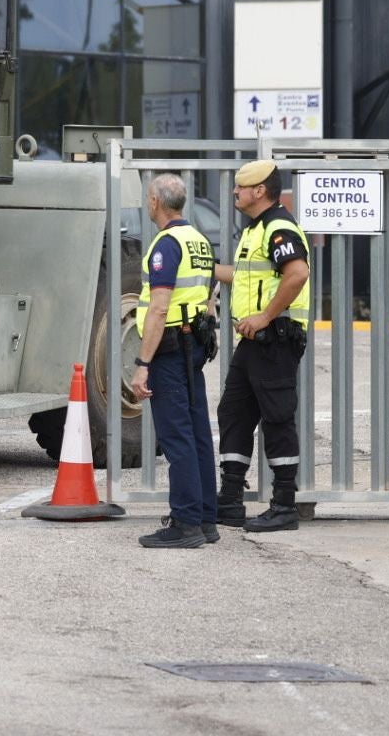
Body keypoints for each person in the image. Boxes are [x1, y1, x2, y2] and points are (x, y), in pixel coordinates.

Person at [214, 159, 311, 532]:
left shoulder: (279, 227)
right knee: (233, 413)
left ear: (259, 191)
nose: (235, 192)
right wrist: (205, 268)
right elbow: (243, 277)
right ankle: (230, 500)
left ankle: (284, 505)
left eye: (241, 187)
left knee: (277, 419)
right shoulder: (256, 230)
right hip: (253, 342)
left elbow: (297, 274)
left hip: (275, 340)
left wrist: (266, 316)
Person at [131, 173, 219, 549]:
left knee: (176, 435)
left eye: (148, 198)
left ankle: (185, 523)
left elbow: (159, 306)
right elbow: (210, 295)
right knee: (197, 432)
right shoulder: (198, 239)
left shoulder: (166, 245)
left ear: (155, 202)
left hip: (169, 348)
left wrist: (142, 363)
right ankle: (205, 518)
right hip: (192, 344)